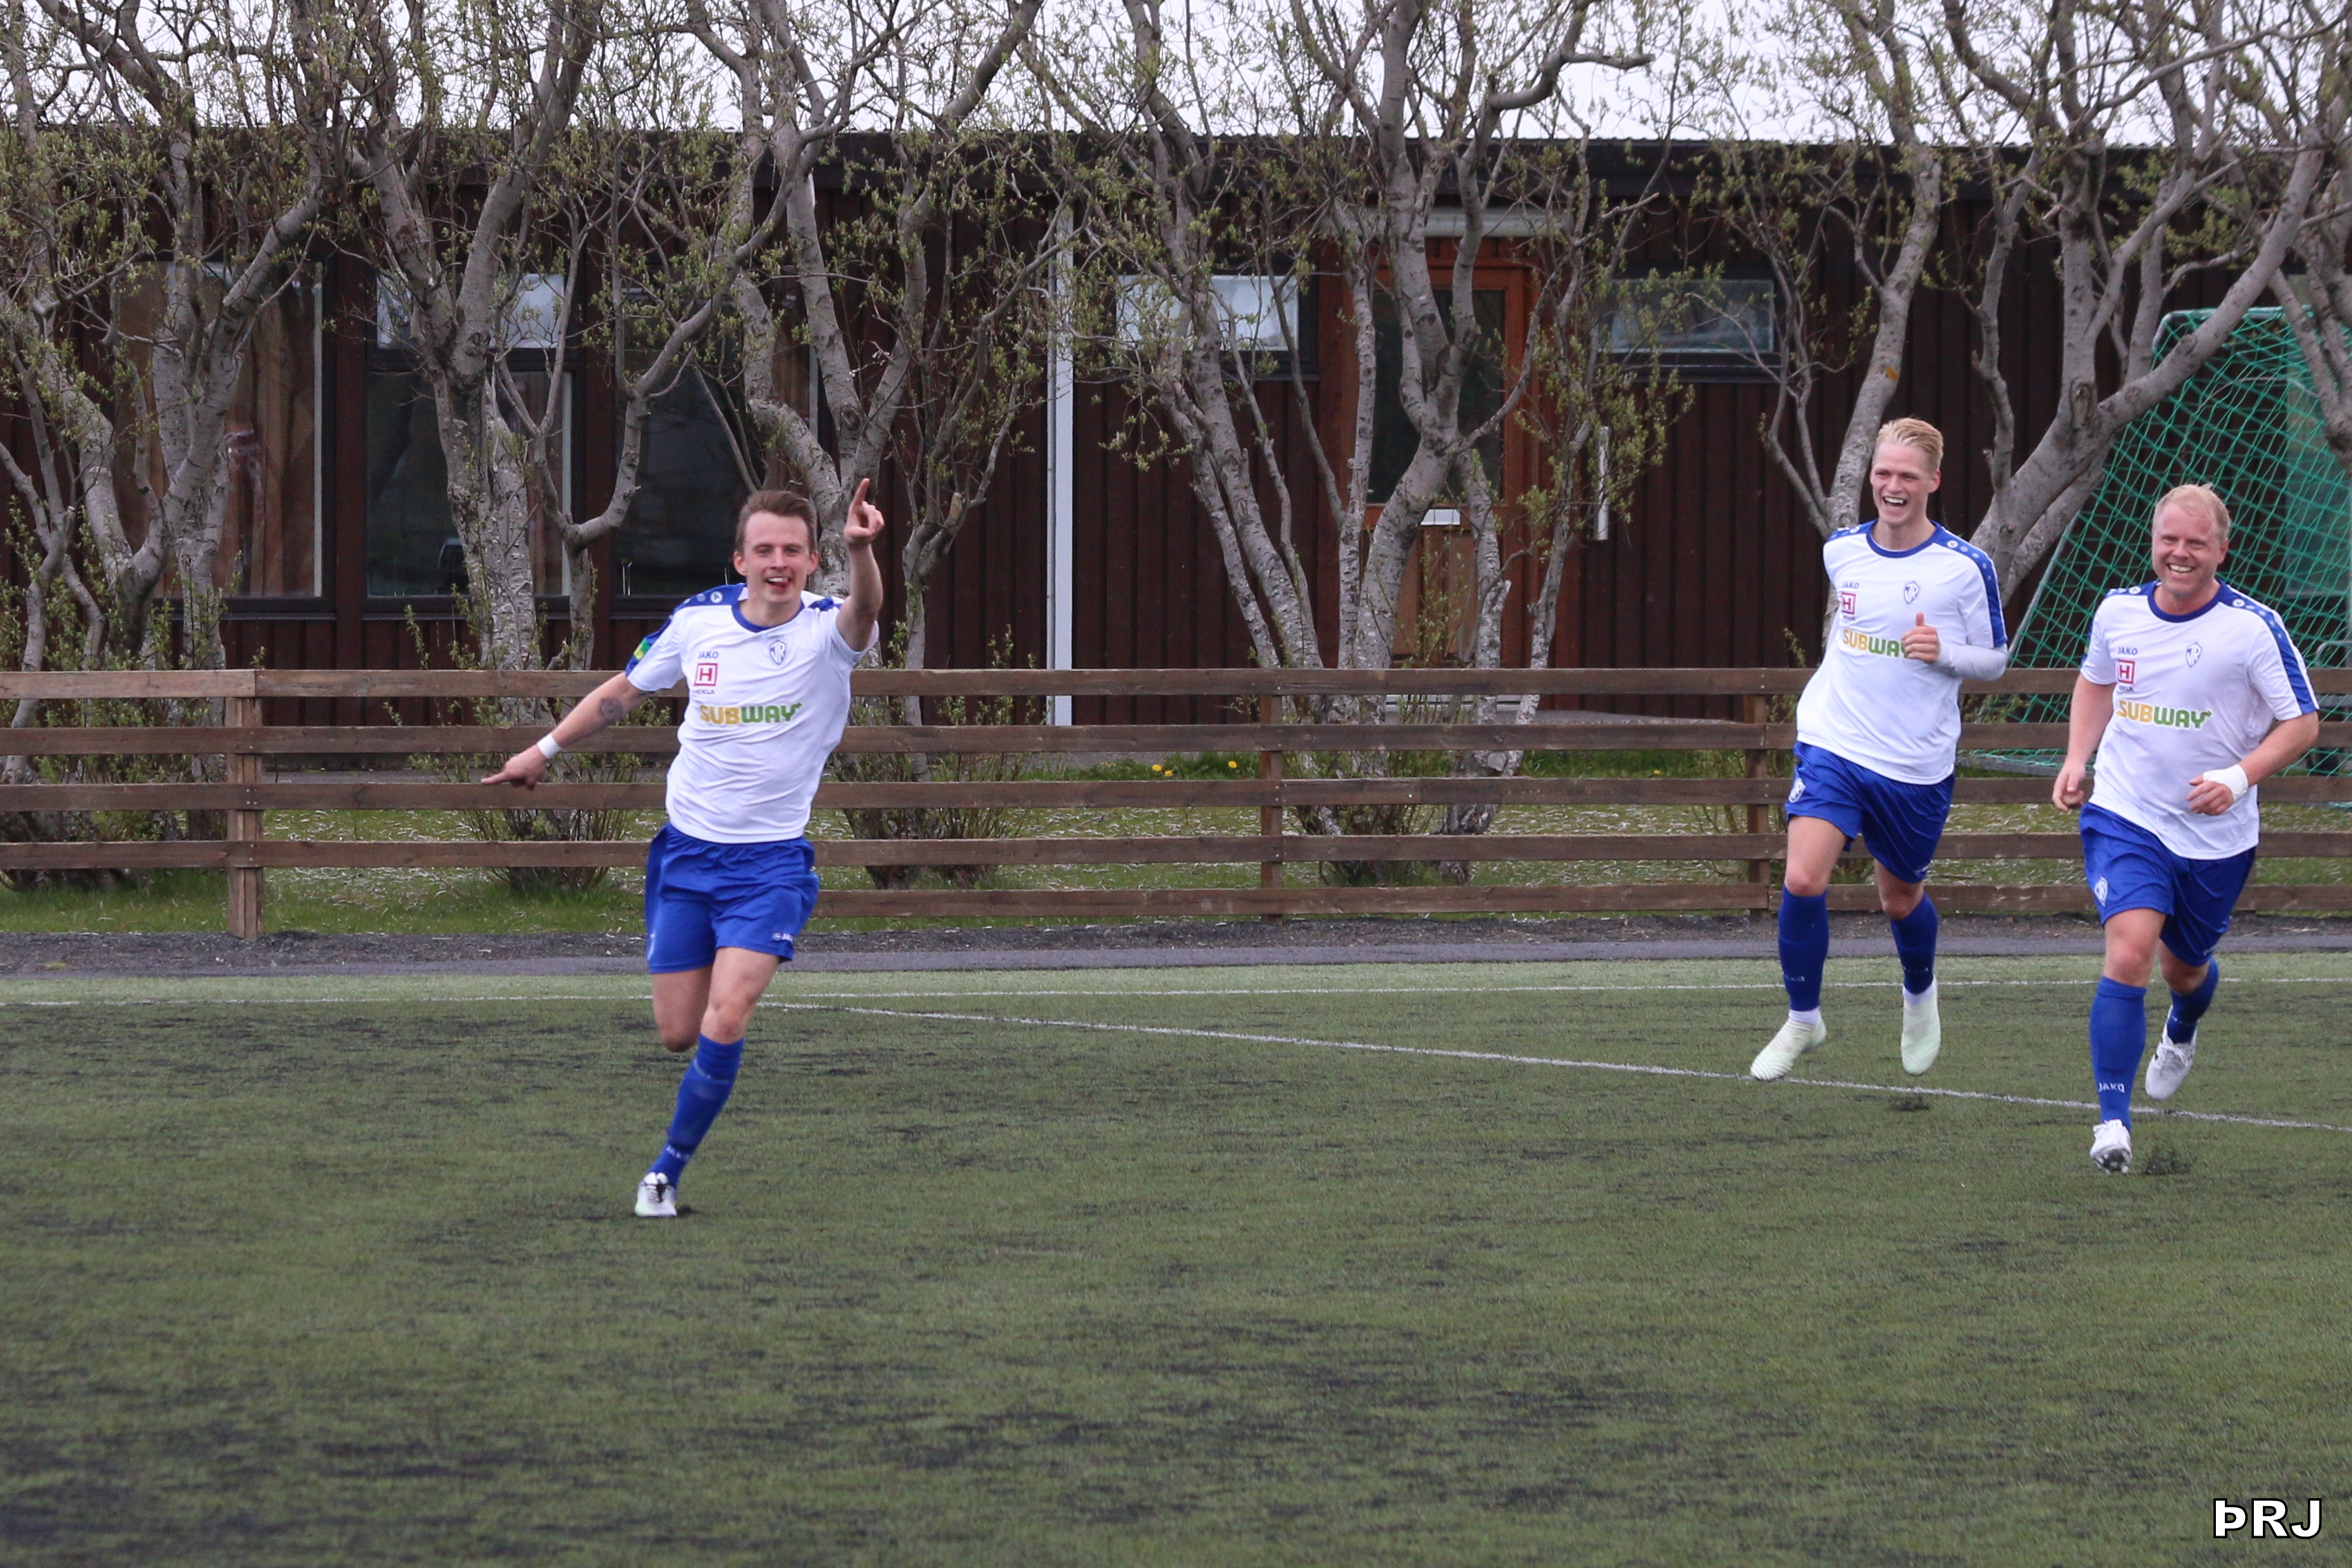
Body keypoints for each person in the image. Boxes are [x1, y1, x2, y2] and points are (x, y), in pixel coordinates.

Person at [484, 482, 884, 1216]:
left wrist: (860, 551)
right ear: (740, 559)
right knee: (677, 1033)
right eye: (764, 549)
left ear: (811, 561)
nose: (778, 562)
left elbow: (865, 610)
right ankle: (683, 1118)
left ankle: (664, 1174)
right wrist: (542, 751)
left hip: (769, 867)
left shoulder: (829, 628)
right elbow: (622, 693)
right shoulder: (698, 621)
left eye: (792, 550)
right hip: (686, 856)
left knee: (725, 1017)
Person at [2053, 485, 2317, 1173]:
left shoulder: (2252, 628)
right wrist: (2077, 757)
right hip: (2126, 814)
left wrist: (2238, 777)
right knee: (2129, 952)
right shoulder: (2117, 611)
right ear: (2152, 541)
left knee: (2184, 967)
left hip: (2214, 839)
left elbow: (2302, 723)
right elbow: (2095, 682)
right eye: (2168, 539)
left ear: (2221, 550)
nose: (2179, 553)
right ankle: (2112, 1123)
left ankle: (2182, 1025)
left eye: (2195, 543)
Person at [1751, 418, 2009, 1082]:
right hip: (1833, 740)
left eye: (1907, 476)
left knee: (1899, 899)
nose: (1893, 486)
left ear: (1933, 481)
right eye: (1883, 473)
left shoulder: (1964, 568)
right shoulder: (1842, 551)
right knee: (1802, 879)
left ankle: (1919, 994)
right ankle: (1804, 1018)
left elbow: (1994, 659)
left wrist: (1944, 653)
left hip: (1914, 763)